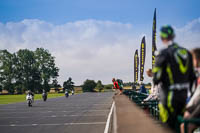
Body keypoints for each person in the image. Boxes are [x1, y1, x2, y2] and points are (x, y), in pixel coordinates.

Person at [152, 25, 196, 130]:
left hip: (168, 98)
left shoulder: (163, 53)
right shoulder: (187, 53)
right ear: (174, 36)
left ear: (162, 38)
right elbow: (192, 78)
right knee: (181, 127)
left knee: (167, 128)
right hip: (184, 97)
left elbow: (156, 78)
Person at [180, 48, 200, 133]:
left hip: (197, 108)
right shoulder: (196, 73)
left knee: (185, 126)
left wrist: (190, 111)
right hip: (194, 106)